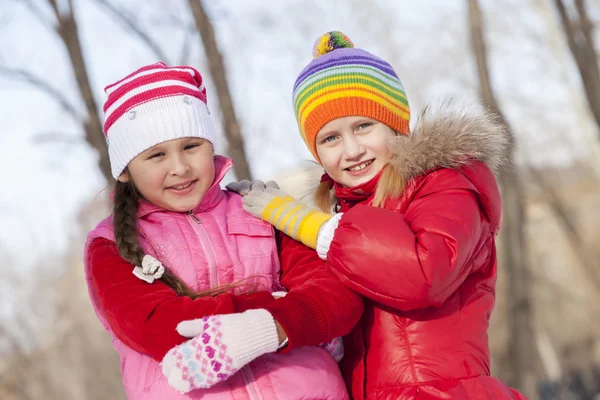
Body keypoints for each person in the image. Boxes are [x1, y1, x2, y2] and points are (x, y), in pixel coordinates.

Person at [218, 31, 529, 399]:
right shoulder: (334, 210)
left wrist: (310, 226)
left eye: (363, 126)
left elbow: (423, 274)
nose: (351, 150)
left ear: (394, 122)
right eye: (330, 138)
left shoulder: (447, 183)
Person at [83, 62, 362, 399]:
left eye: (191, 146)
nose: (180, 167)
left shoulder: (259, 210)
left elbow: (336, 297)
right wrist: (283, 313)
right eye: (156, 155)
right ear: (125, 170)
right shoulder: (112, 245)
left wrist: (270, 326)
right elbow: (157, 325)